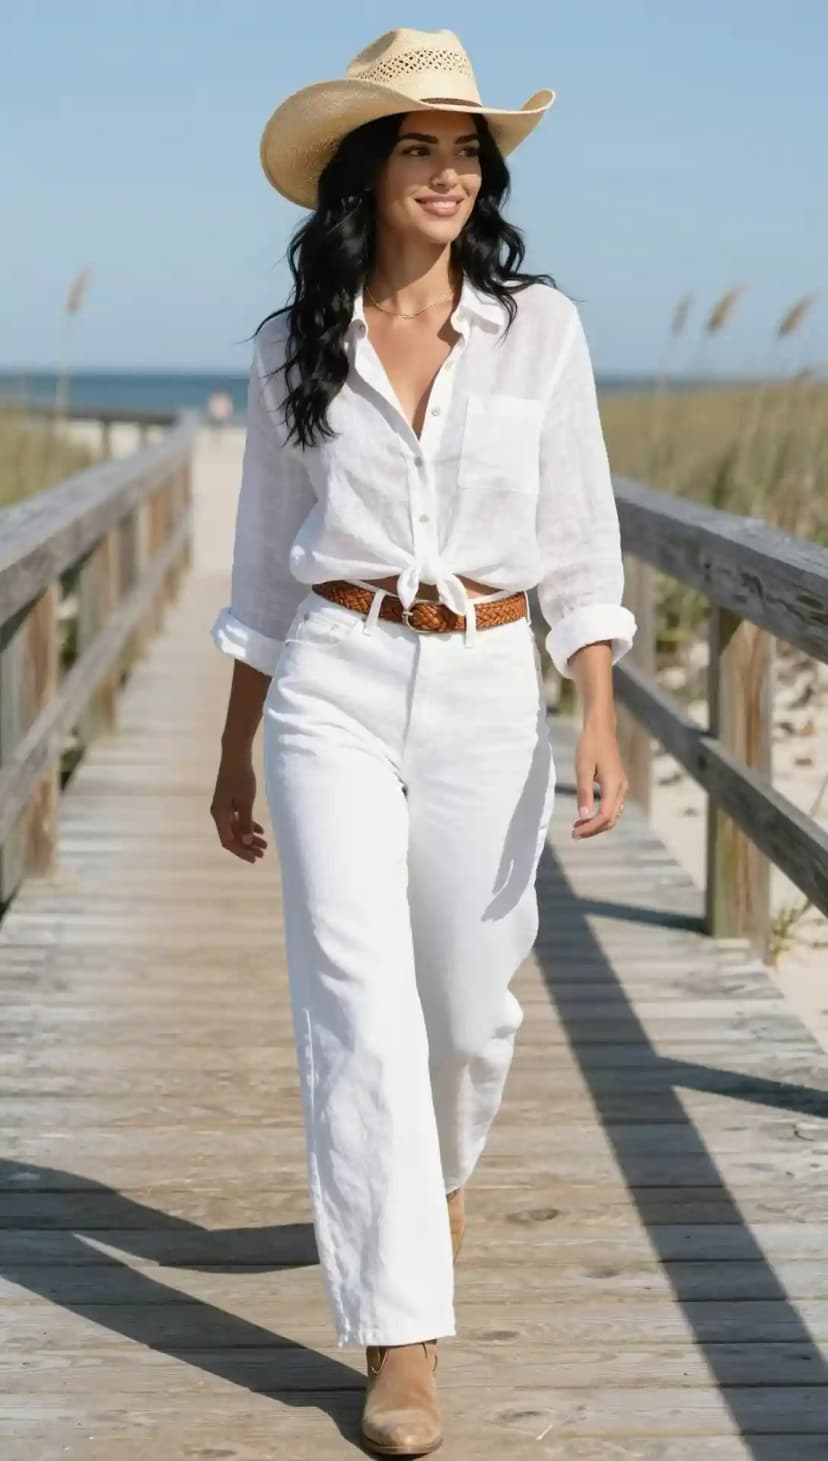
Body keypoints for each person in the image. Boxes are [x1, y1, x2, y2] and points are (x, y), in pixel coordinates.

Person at [209, 26, 636, 1457]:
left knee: (464, 1011)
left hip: (485, 694)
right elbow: (265, 570)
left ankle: (430, 1186)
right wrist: (233, 748)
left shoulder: (543, 334)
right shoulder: (290, 350)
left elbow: (581, 536)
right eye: (420, 145)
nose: (449, 170)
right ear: (365, 171)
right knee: (359, 1008)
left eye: (467, 149)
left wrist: (596, 705)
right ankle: (403, 1335)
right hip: (331, 678)